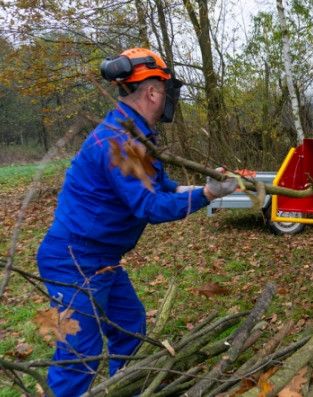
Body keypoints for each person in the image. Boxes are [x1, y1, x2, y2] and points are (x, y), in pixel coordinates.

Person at [36, 48, 237, 396]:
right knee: (78, 353)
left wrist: (212, 188)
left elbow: (165, 189)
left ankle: (122, 389)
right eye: (167, 90)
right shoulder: (121, 142)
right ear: (153, 92)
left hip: (101, 259)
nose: (169, 98)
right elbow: (151, 207)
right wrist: (205, 194)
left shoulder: (135, 135)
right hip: (74, 259)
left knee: (128, 325)